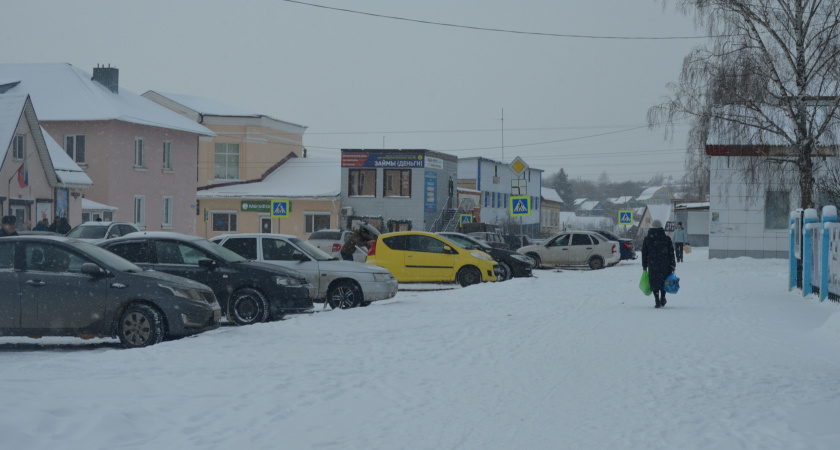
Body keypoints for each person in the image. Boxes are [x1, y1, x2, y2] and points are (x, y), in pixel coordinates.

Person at [642, 219, 676, 309]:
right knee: (664, 281)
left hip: (653, 264)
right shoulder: (666, 239)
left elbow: (644, 253)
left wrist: (644, 265)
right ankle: (663, 297)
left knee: (654, 281)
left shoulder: (647, 239)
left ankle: (657, 299)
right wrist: (673, 264)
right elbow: (671, 253)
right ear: (661, 228)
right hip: (665, 263)